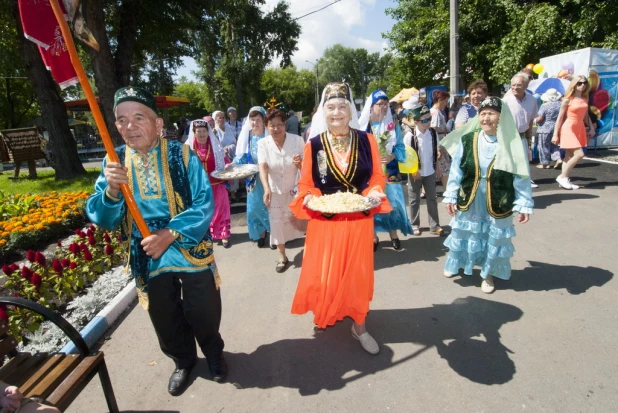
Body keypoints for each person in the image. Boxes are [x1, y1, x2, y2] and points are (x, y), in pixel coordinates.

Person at [86, 86, 227, 396]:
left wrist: (170, 234)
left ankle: (214, 354)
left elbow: (204, 202)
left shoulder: (182, 154)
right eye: (121, 120)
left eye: (139, 117)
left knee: (203, 309)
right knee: (163, 315)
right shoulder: (115, 162)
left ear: (159, 124)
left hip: (187, 245)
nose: (129, 126)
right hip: (147, 253)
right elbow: (102, 217)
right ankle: (183, 361)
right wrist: (110, 192)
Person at [289, 82, 392, 355]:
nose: (336, 113)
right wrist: (310, 197)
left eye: (342, 107)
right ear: (324, 112)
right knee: (329, 272)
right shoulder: (314, 145)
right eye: (331, 108)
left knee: (357, 273)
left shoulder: (367, 140)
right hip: (326, 221)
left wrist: (376, 191)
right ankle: (331, 308)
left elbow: (377, 177)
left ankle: (359, 325)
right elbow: (307, 183)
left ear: (350, 111)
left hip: (359, 219)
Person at [441, 96, 533, 293]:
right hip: (471, 195)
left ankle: (487, 273)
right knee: (464, 232)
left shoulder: (511, 142)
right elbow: (456, 170)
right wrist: (451, 194)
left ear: (501, 117)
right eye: (482, 114)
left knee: (492, 236)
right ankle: (455, 263)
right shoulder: (468, 139)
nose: (486, 118)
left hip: (499, 198)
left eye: (491, 113)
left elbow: (521, 174)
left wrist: (524, 202)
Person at [358, 89, 412, 250]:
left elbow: (401, 147)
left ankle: (393, 233)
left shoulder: (392, 124)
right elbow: (357, 151)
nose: (383, 107)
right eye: (379, 104)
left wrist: (393, 156)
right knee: (371, 203)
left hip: (390, 172)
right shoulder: (363, 127)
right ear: (371, 106)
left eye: (385, 104)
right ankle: (373, 236)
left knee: (392, 203)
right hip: (369, 173)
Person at [258, 109, 306, 272]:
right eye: (272, 125)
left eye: (280, 125)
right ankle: (282, 256)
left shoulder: (298, 140)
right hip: (275, 189)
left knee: (301, 222)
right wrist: (266, 189)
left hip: (295, 189)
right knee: (277, 222)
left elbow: (307, 165)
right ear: (267, 126)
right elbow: (263, 166)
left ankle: (310, 252)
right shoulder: (263, 144)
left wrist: (300, 163)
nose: (276, 129)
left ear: (285, 124)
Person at [185, 120, 232, 248]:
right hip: (199, 187)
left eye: (204, 131)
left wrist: (228, 166)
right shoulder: (188, 148)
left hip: (217, 183)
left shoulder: (215, 145)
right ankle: (207, 235)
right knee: (205, 212)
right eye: (198, 131)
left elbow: (224, 160)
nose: (201, 134)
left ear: (208, 132)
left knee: (221, 209)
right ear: (194, 133)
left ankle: (224, 235)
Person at [231, 106, 271, 246]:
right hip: (253, 178)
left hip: (269, 177)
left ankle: (273, 234)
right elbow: (241, 156)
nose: (255, 123)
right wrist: (233, 164)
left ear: (263, 120)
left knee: (270, 206)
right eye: (252, 119)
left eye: (258, 119)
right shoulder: (247, 137)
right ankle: (260, 233)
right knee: (254, 207)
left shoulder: (269, 135)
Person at [404, 103, 445, 236]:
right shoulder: (410, 136)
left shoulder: (432, 133)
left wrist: (437, 167)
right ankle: (414, 224)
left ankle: (435, 225)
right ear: (416, 122)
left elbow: (436, 149)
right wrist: (413, 171)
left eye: (430, 119)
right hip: (415, 172)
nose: (428, 123)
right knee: (414, 199)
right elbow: (406, 156)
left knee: (432, 198)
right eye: (425, 120)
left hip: (430, 171)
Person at [552, 75, 595, 190]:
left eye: (584, 83)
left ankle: (564, 179)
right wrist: (555, 134)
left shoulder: (585, 99)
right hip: (569, 127)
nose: (582, 85)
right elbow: (560, 118)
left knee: (568, 156)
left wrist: (591, 127)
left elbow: (586, 116)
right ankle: (562, 176)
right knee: (580, 154)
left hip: (579, 127)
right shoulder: (567, 99)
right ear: (574, 85)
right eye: (579, 83)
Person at [504, 73, 539, 188]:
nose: (515, 88)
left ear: (526, 85)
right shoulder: (506, 101)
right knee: (509, 164)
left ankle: (522, 188)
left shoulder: (532, 100)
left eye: (518, 85)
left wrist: (529, 135)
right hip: (509, 137)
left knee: (523, 163)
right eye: (512, 85)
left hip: (523, 136)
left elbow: (531, 119)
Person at [213, 110, 239, 200]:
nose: (222, 119)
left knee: (233, 172)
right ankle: (226, 194)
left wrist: (232, 147)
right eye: (219, 117)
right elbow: (215, 144)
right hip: (221, 156)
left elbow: (234, 141)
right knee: (224, 175)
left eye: (223, 117)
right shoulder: (215, 131)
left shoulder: (228, 129)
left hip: (231, 154)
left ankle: (233, 192)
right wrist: (223, 149)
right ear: (215, 119)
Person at [534, 88, 562, 169]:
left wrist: (534, 120)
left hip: (545, 128)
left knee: (544, 145)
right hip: (556, 127)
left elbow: (540, 118)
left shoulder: (544, 105)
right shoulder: (560, 104)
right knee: (555, 145)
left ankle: (545, 163)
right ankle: (557, 158)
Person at [430, 89, 452, 191]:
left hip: (439, 141)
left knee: (440, 167)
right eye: (445, 101)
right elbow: (433, 129)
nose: (446, 104)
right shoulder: (436, 112)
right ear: (440, 100)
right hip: (439, 141)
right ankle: (447, 189)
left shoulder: (434, 112)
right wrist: (437, 147)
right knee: (444, 167)